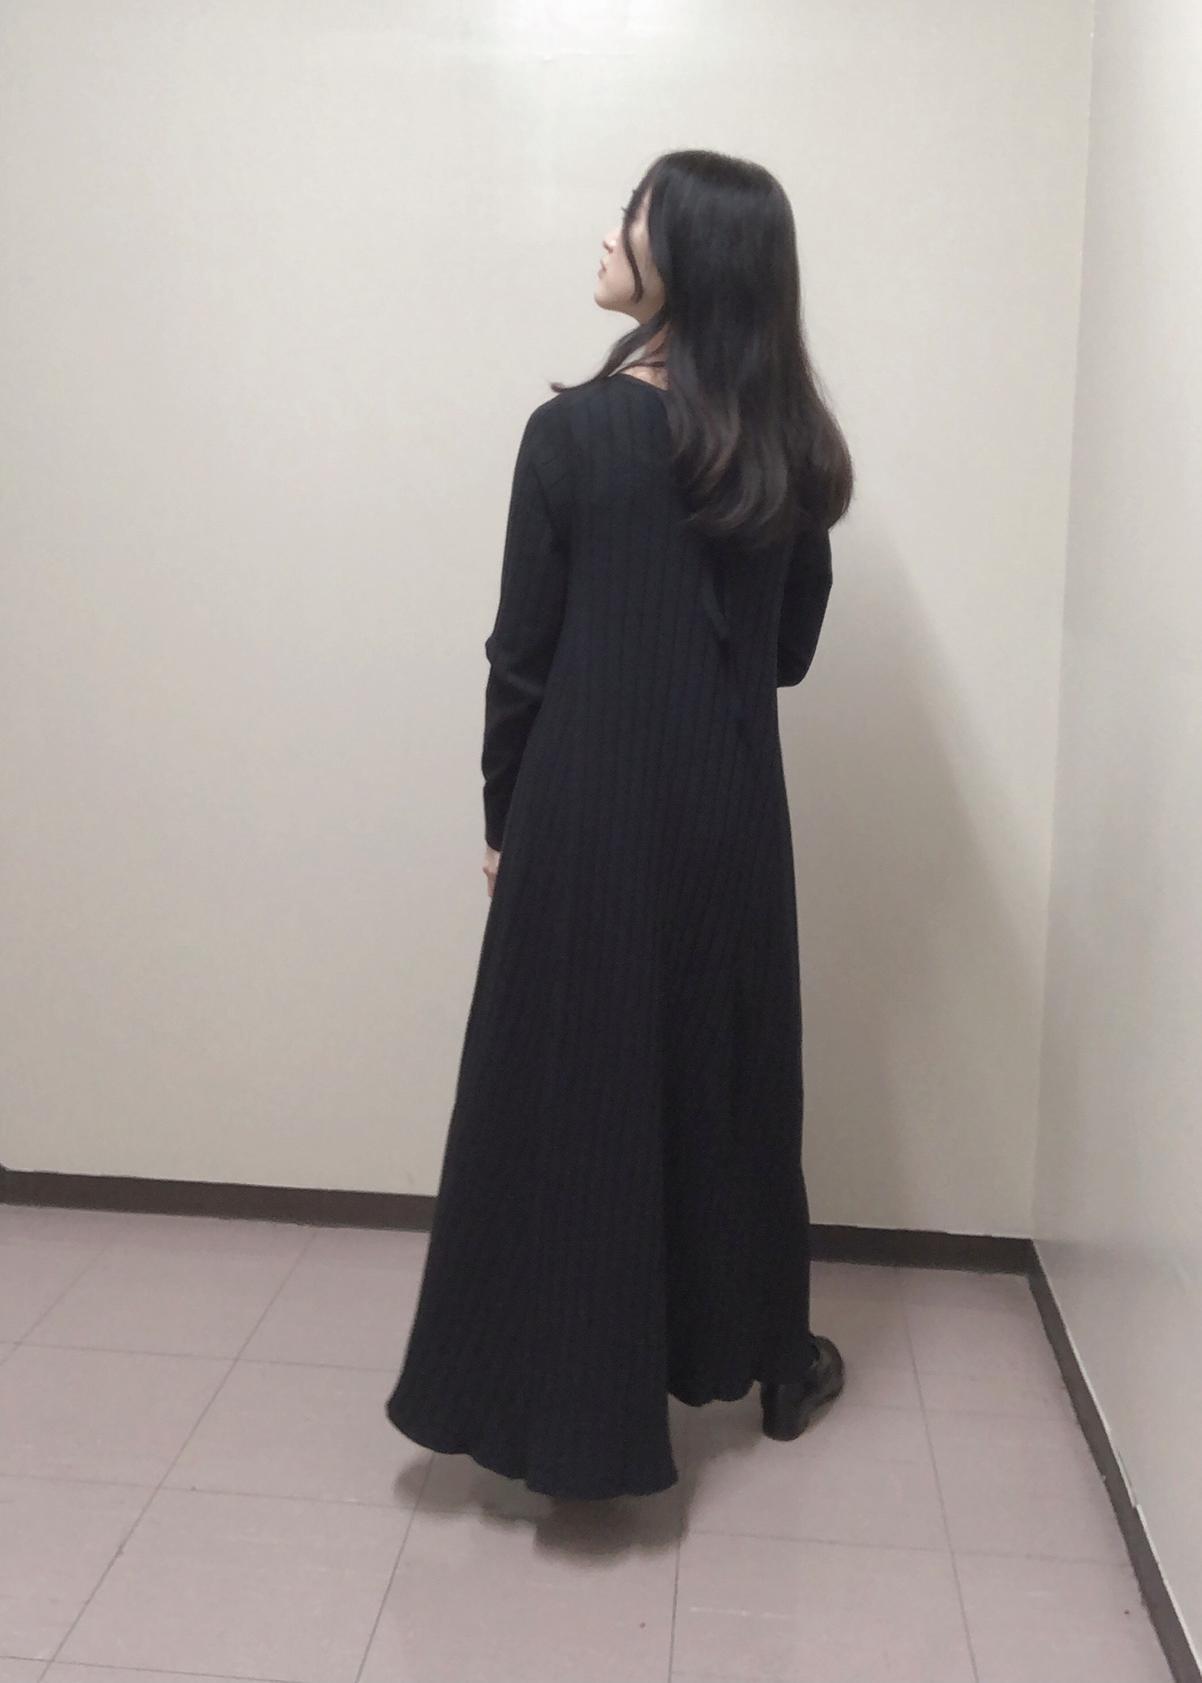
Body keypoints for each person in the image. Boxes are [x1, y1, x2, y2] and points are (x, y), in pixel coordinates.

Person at [385, 148, 854, 1499]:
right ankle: (767, 1359)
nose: (606, 235)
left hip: (583, 813)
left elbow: (520, 659)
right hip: (729, 817)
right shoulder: (793, 447)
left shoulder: (572, 436)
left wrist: (503, 819)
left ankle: (560, 1406)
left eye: (631, 216)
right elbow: (788, 653)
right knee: (728, 1083)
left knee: (570, 1086)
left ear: (684, 256)